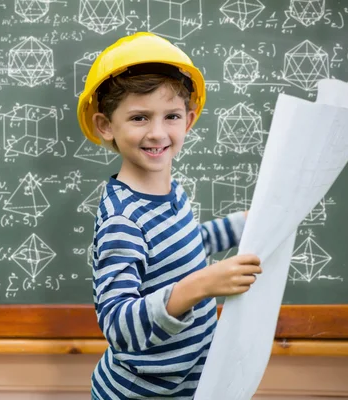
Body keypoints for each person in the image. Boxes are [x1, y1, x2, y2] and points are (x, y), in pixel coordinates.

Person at [76, 32, 262, 399]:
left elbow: (185, 245)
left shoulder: (170, 192)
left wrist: (248, 222)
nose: (158, 132)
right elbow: (117, 324)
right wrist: (200, 286)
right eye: (139, 117)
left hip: (186, 385)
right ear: (106, 126)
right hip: (139, 393)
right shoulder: (123, 220)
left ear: (188, 120)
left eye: (171, 116)